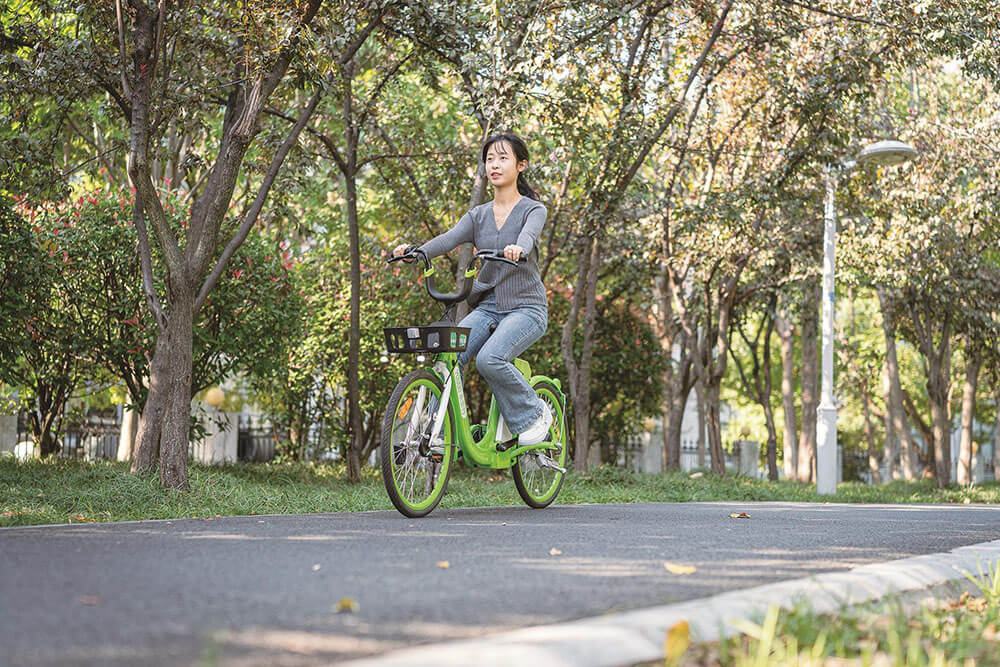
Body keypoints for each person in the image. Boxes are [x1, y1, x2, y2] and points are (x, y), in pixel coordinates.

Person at [393, 133, 552, 446]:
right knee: (448, 354)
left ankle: (535, 414)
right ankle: (437, 434)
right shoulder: (478, 216)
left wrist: (518, 248)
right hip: (489, 306)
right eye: (490, 158)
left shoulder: (533, 209)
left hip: (526, 308)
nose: (494, 164)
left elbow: (528, 237)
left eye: (503, 158)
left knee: (490, 358)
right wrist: (416, 251)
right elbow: (448, 239)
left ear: (521, 165)